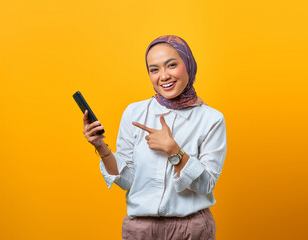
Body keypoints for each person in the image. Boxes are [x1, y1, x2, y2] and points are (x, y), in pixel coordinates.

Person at [82, 35, 227, 240]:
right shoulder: (134, 113)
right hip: (140, 230)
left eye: (171, 65)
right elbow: (127, 180)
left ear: (188, 64)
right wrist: (101, 148)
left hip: (191, 230)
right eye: (154, 69)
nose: (164, 76)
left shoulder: (212, 119)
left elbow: (206, 185)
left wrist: (173, 150)